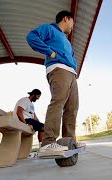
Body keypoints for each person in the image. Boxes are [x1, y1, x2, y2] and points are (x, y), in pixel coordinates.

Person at [26, 10, 85, 153]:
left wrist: (74, 69)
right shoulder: (50, 29)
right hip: (58, 69)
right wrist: (49, 52)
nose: (73, 26)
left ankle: (70, 141)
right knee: (58, 102)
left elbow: (71, 56)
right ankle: (48, 142)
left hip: (71, 73)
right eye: (72, 22)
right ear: (66, 18)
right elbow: (31, 37)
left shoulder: (66, 41)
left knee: (72, 108)